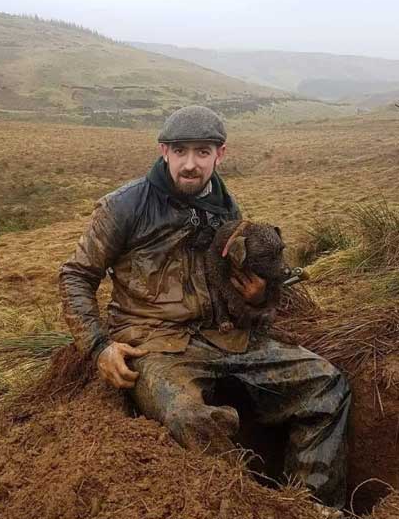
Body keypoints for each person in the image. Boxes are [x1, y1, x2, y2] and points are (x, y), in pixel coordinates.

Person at [59, 105, 351, 513]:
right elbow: (76, 275)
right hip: (154, 345)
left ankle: (308, 504)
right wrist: (98, 345)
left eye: (202, 151)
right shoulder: (124, 206)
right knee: (189, 416)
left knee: (326, 384)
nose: (190, 164)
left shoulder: (227, 209)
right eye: (180, 151)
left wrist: (256, 299)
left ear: (220, 154)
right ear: (164, 151)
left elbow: (233, 287)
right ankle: (252, 507)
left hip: (222, 337)